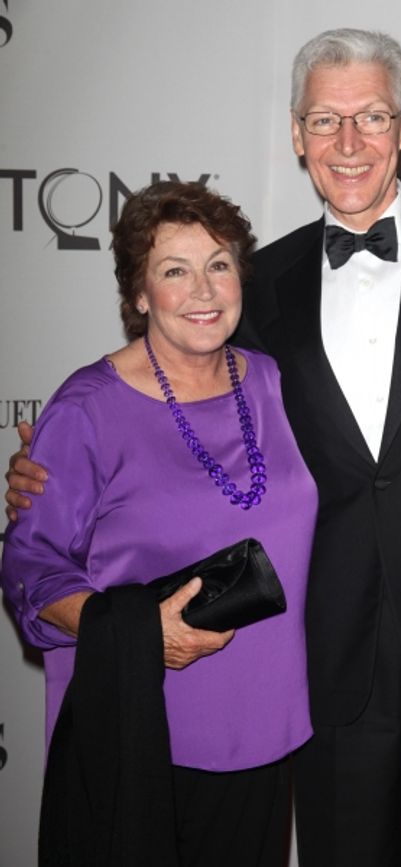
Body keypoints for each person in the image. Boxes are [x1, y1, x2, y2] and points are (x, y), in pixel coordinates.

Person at [5, 27, 401, 867]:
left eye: (371, 117)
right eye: (324, 121)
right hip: (322, 644)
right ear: (295, 133)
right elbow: (187, 414)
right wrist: (47, 471)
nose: (348, 144)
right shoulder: (260, 281)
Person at [1, 181, 318, 867]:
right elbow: (31, 567)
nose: (203, 290)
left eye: (220, 264)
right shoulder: (88, 407)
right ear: (139, 293)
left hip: (266, 727)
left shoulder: (272, 380)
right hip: (143, 732)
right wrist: (142, 632)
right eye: (175, 270)